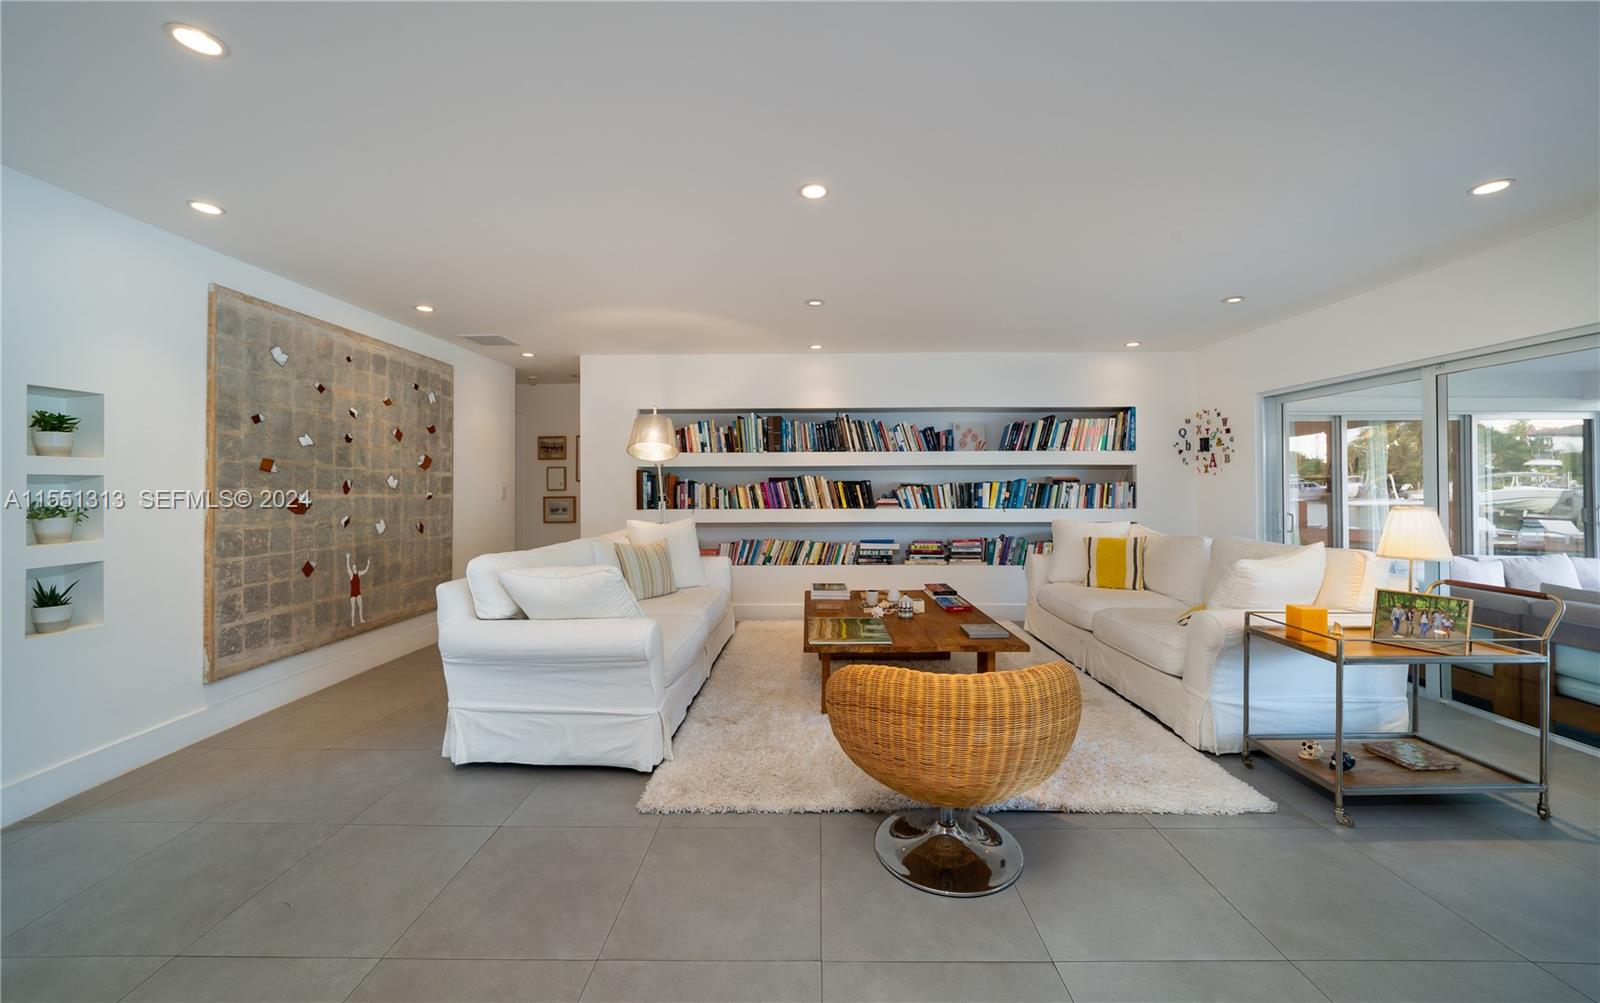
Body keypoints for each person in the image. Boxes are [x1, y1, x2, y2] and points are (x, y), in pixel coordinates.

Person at [347, 552, 371, 627]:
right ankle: (353, 622)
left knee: (361, 606)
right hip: (353, 594)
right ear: (352, 568)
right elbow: (347, 567)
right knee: (353, 608)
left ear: (356, 568)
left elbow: (365, 571)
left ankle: (361, 619)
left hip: (358, 593)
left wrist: (368, 563)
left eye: (355, 567)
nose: (354, 568)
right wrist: (347, 558)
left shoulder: (359, 573)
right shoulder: (351, 575)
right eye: (353, 567)